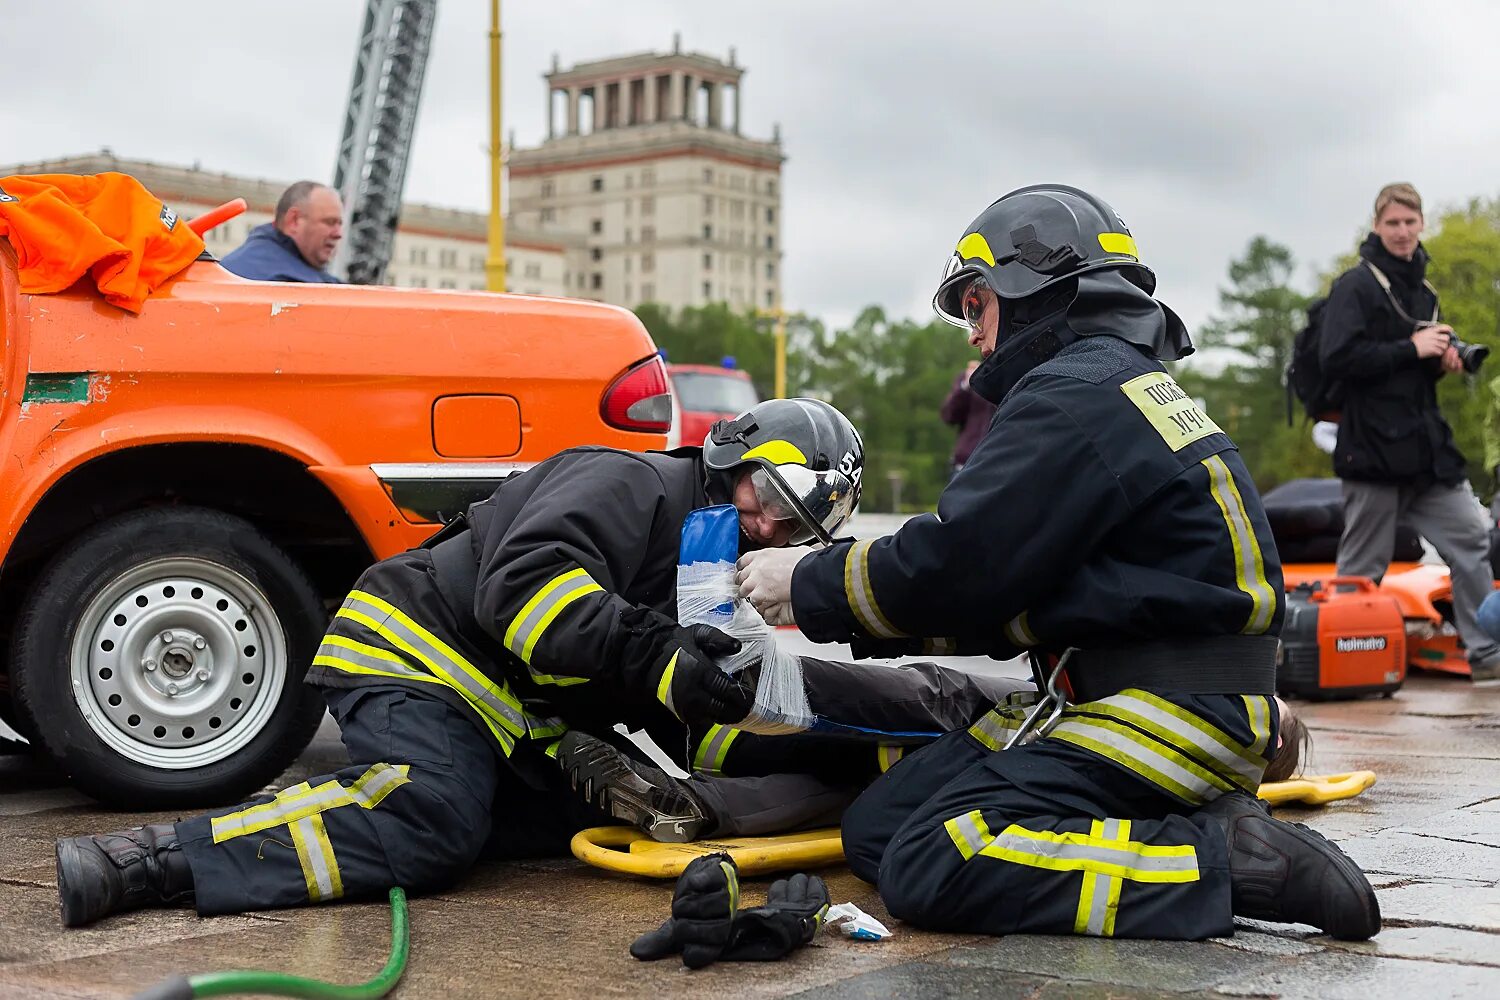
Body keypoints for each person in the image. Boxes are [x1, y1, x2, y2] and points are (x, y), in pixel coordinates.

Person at [53, 398, 1015, 926]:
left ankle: (497, 796)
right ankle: (152, 863)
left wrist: (953, 704)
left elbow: (730, 691)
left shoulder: (707, 566)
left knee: (660, 790)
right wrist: (668, 663)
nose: (766, 528)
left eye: (791, 528)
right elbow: (526, 592)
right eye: (767, 501)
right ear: (733, 457)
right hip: (422, 652)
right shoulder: (633, 483)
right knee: (431, 821)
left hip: (519, 716)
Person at [735, 184, 1380, 942]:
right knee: (880, 828)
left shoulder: (1073, 396)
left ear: (1032, 290)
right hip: (1162, 694)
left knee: (931, 861)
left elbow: (956, 564)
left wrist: (803, 583)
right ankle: (1187, 815)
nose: (971, 334)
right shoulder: (1115, 385)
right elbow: (1000, 596)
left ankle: (1226, 862)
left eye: (975, 305)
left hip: (1163, 710)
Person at [1319, 183, 1500, 682]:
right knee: (1362, 569)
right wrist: (1411, 349)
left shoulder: (1426, 292)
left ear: (1421, 225)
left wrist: (1439, 363)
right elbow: (1335, 360)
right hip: (1372, 454)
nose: (1402, 232)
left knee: (1472, 538)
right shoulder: (1354, 285)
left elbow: (1409, 373)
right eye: (1392, 223)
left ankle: (1485, 652)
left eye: (1410, 222)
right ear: (1377, 226)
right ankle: (1345, 663)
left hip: (1426, 454)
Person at [220, 181, 344, 283]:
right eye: (329, 222)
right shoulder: (289, 283)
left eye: (340, 224)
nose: (338, 234)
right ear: (294, 220)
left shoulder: (227, 270)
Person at [940, 359, 997, 479]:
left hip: (998, 465)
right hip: (964, 465)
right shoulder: (969, 377)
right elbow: (949, 415)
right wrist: (967, 384)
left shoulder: (1013, 376)